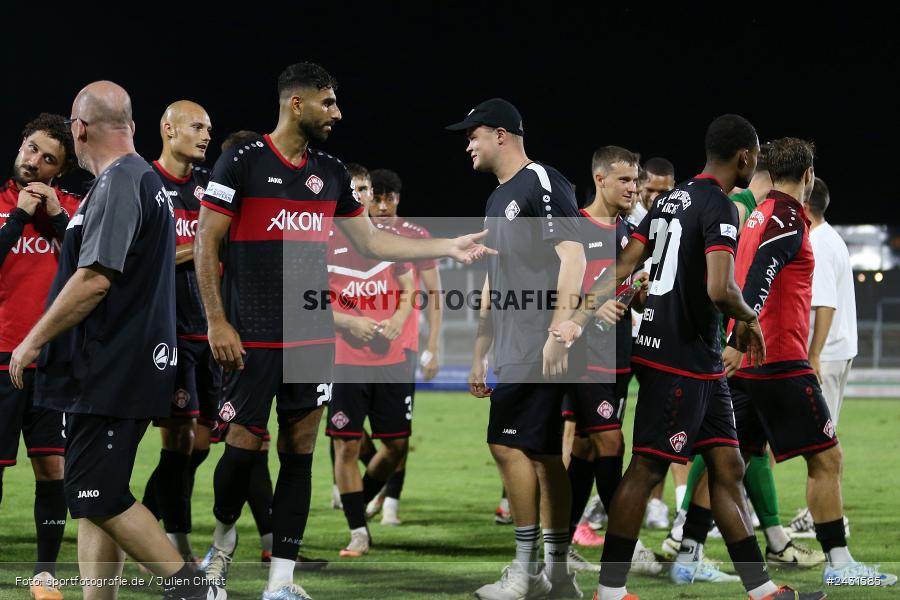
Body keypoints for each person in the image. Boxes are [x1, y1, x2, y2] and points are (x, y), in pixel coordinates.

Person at [196, 62, 491, 600]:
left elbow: (373, 243)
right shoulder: (242, 160)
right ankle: (221, 545)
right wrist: (217, 320)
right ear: (297, 104)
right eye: (328, 102)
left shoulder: (330, 172)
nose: (337, 112)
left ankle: (281, 581)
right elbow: (205, 242)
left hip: (311, 337)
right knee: (240, 449)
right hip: (253, 334)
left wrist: (446, 246)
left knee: (300, 451)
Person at [553, 115, 824, 600]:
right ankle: (610, 592)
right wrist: (750, 319)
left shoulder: (669, 200)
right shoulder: (719, 206)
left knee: (728, 465)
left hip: (691, 358)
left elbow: (623, 265)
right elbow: (720, 289)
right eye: (755, 155)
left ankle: (762, 590)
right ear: (745, 156)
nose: (757, 164)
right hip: (681, 358)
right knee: (647, 469)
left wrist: (578, 314)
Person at [9, 81, 223, 600]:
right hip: (120, 364)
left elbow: (95, 279)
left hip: (112, 367)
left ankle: (191, 589)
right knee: (95, 499)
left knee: (95, 492)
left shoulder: (121, 181)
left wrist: (33, 340)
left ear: (80, 128)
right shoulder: (136, 178)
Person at [724, 138, 892, 588]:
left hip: (750, 363)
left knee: (731, 463)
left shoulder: (758, 213)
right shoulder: (787, 216)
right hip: (778, 359)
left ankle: (690, 551)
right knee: (827, 458)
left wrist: (735, 336)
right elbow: (761, 273)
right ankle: (840, 564)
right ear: (808, 175)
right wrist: (743, 332)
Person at [449, 98, 585, 599]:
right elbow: (493, 278)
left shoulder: (540, 181)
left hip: (537, 339)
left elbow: (573, 256)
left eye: (474, 135)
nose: (468, 144)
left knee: (506, 445)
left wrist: (558, 329)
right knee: (544, 455)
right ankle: (558, 575)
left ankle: (527, 573)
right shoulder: (497, 198)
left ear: (501, 134)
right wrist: (479, 350)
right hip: (512, 342)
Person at [0, 113, 81, 600]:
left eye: (48, 158)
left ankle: (44, 573)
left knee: (53, 469)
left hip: (54, 363)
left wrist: (56, 218)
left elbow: (89, 265)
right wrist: (18, 218)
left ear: (61, 170)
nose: (34, 162)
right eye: (31, 148)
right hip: (0, 355)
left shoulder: (72, 209)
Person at [138, 100, 217, 563]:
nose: (206, 135)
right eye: (197, 126)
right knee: (181, 440)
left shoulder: (211, 188)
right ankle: (179, 548)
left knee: (199, 445)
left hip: (211, 331)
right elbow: (146, 261)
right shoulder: (145, 184)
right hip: (168, 336)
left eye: (209, 128)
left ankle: (141, 521)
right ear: (168, 129)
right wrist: (205, 243)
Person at [326, 183, 416, 556]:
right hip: (345, 361)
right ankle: (358, 531)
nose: (359, 195)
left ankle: (358, 501)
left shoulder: (388, 241)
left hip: (391, 360)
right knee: (346, 445)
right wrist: (348, 322)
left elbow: (409, 290)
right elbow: (305, 301)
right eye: (352, 189)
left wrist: (398, 319)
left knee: (395, 446)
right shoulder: (323, 240)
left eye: (363, 188)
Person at [364, 167, 444, 526]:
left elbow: (435, 293)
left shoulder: (415, 235)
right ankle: (376, 481)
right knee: (347, 429)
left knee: (397, 431)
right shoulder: (355, 233)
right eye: (377, 198)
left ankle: (391, 502)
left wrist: (433, 347)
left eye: (389, 198)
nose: (382, 206)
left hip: (401, 345)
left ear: (398, 198)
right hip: (353, 344)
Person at [788, 177, 858, 539]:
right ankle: (815, 513)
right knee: (823, 439)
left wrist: (813, 354)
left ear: (803, 206)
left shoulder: (817, 241)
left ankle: (833, 518)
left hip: (826, 355)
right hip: (836, 351)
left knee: (822, 443)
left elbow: (825, 303)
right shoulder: (831, 237)